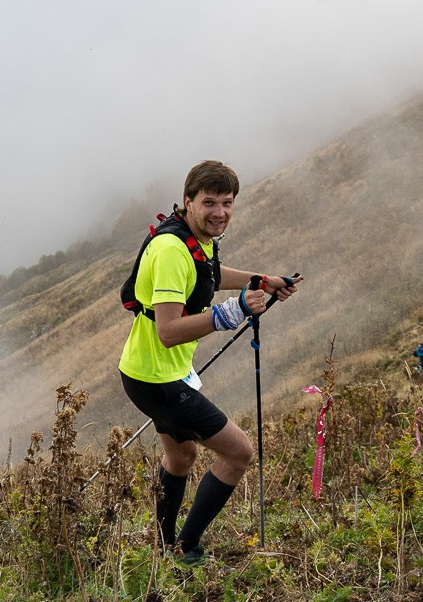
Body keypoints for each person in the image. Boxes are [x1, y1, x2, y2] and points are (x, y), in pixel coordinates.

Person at [117, 160, 301, 566]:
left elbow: (210, 274)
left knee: (181, 458)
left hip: (152, 371)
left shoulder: (194, 238)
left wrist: (262, 279)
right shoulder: (170, 251)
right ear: (188, 202)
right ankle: (185, 549)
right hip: (157, 378)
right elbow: (168, 331)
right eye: (210, 203)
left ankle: (163, 548)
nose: (220, 212)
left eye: (228, 203)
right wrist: (230, 312)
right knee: (239, 453)